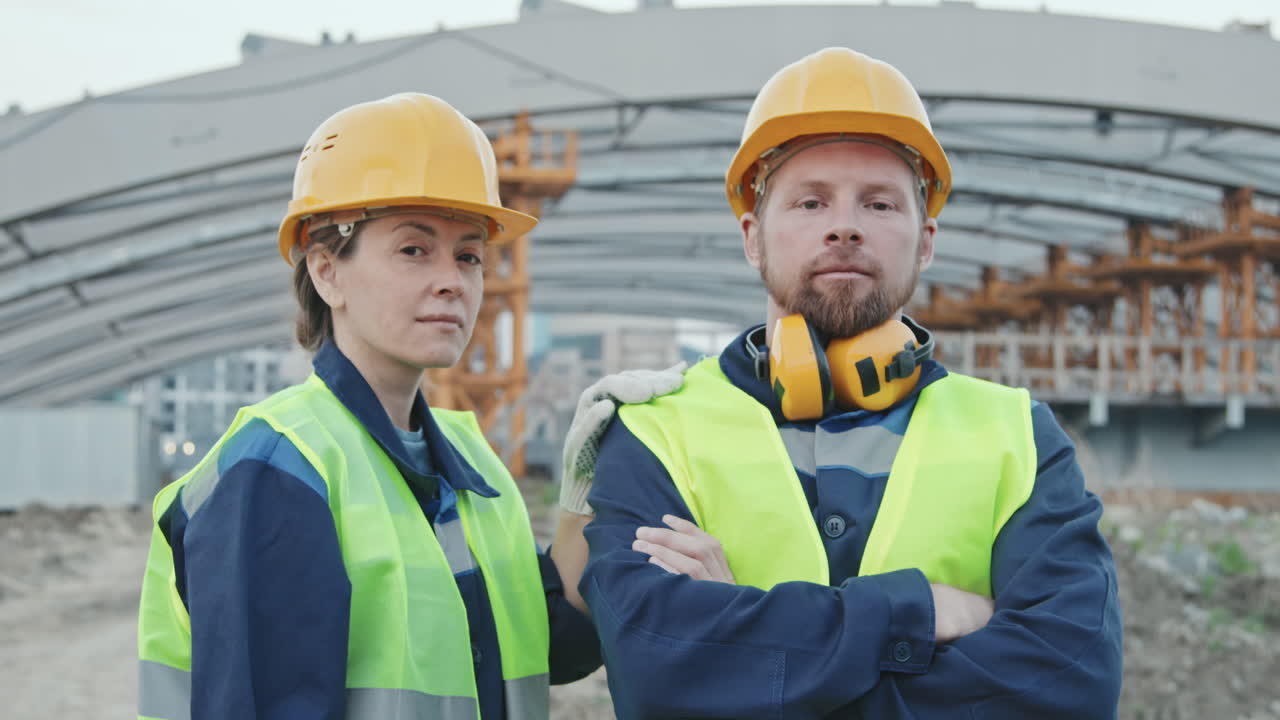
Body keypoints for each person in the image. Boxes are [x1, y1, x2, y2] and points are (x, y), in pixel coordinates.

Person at [572, 47, 1123, 718]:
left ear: (925, 242)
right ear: (753, 238)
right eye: (810, 202)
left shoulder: (1016, 433)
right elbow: (659, 671)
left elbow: (1069, 681)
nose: (845, 225)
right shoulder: (657, 427)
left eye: (880, 203)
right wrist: (921, 612)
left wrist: (743, 644)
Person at [137, 93, 601, 720]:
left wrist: (585, 498)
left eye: (469, 255)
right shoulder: (280, 469)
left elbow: (537, 646)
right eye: (414, 249)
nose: (452, 280)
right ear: (327, 272)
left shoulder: (472, 460)